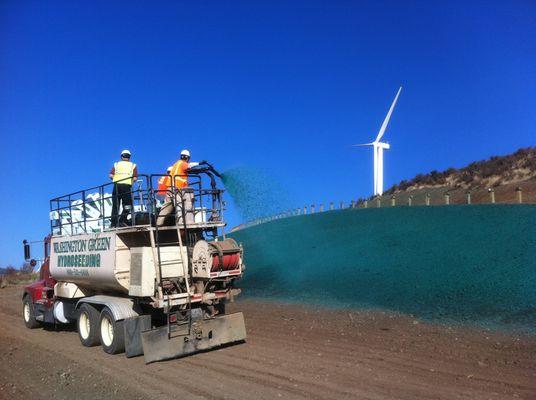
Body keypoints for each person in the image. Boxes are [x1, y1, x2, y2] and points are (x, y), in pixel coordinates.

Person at [157, 149, 200, 226]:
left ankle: (158, 223)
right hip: (177, 188)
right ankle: (181, 223)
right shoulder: (183, 164)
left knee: (166, 207)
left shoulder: (176, 164)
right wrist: (199, 163)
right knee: (180, 206)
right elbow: (189, 166)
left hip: (170, 188)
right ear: (187, 158)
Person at [109, 149, 138, 228]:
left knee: (115, 205)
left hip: (117, 187)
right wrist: (131, 181)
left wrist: (117, 179)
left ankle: (113, 224)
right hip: (126, 187)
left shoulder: (116, 164)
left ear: (121, 156)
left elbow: (110, 175)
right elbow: (135, 178)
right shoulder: (133, 165)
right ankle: (122, 220)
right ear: (129, 157)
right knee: (128, 205)